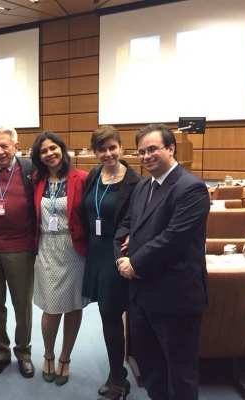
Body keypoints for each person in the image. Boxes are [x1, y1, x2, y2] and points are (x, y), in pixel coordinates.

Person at [114, 123, 210, 400]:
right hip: (141, 297)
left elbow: (174, 237)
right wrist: (121, 257)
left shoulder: (191, 188)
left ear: (171, 148)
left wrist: (135, 262)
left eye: (152, 149)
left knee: (180, 374)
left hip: (174, 297)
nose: (145, 156)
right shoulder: (143, 187)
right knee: (151, 368)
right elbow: (125, 227)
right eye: (141, 151)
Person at [81, 126, 142, 400]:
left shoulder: (135, 181)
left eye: (112, 147)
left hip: (115, 254)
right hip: (94, 251)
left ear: (121, 147)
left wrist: (133, 239)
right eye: (102, 149)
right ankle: (118, 371)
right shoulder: (94, 174)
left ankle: (118, 376)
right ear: (95, 152)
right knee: (107, 314)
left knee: (111, 313)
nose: (108, 153)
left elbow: (142, 218)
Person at [30, 131, 89, 386]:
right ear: (39, 157)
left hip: (74, 249)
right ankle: (49, 354)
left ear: (62, 150)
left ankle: (65, 357)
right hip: (46, 247)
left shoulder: (82, 178)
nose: (49, 154)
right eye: (43, 151)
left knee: (74, 305)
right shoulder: (36, 180)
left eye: (53, 148)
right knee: (51, 308)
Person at [0, 126, 36, 378]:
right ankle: (0, 353)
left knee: (22, 305)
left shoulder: (30, 169)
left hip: (20, 248)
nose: (0, 151)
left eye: (5, 146)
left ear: (16, 146)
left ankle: (23, 352)